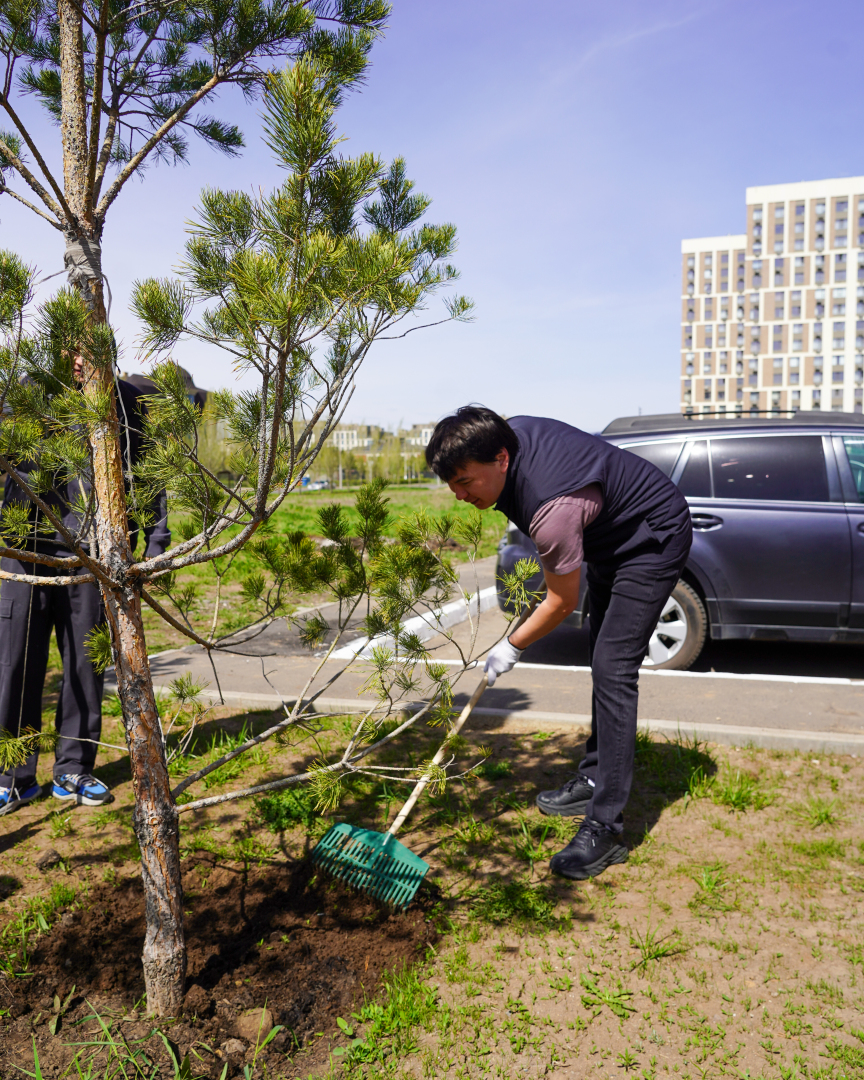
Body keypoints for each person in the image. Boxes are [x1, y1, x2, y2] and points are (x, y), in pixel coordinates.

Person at [425, 406, 692, 880]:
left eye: (466, 481)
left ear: (502, 458)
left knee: (614, 668)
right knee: (601, 659)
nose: (460, 494)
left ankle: (605, 828)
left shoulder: (554, 511)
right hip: (609, 536)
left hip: (651, 538)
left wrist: (512, 645)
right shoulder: (508, 435)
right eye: (452, 484)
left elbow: (561, 600)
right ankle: (594, 777)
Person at [0, 358, 170, 815]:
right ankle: (13, 777)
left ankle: (73, 768)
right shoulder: (27, 391)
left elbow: (150, 473)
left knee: (83, 669)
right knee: (14, 667)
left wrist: (155, 544)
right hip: (22, 553)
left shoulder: (126, 401)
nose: (79, 361)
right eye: (71, 348)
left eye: (89, 348)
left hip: (93, 558)